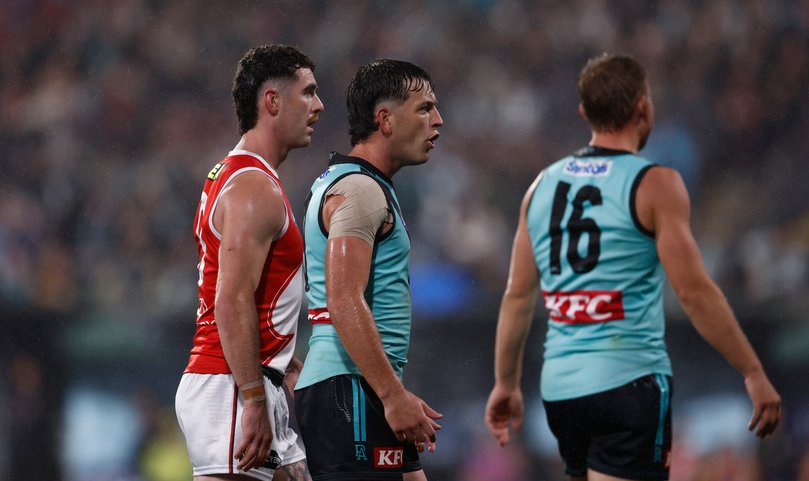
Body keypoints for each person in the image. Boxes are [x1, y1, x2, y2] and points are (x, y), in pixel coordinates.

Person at [485, 53, 781, 481]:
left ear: (584, 112)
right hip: (628, 382)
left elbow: (516, 295)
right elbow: (694, 293)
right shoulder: (655, 183)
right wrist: (752, 371)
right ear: (644, 106)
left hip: (562, 389)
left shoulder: (541, 186)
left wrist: (506, 383)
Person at [175, 44, 324, 481]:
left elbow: (251, 294)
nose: (319, 105)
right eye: (308, 92)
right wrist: (254, 398)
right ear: (272, 101)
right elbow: (232, 299)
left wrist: (283, 361)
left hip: (248, 381)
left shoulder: (238, 175)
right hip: (231, 386)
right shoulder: (253, 187)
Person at [294, 59, 444, 481]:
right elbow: (343, 299)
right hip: (351, 391)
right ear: (385, 120)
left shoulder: (350, 183)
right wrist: (392, 395)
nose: (438, 120)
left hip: (362, 386)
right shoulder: (359, 190)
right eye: (424, 108)